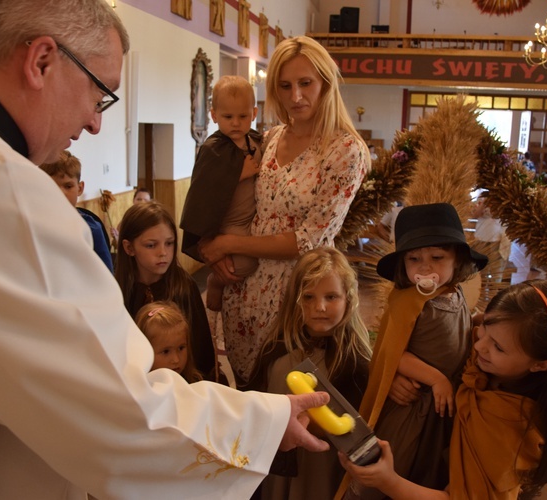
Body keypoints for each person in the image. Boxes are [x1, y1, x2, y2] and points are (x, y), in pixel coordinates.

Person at [0, 1, 330, 497]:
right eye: (100, 93)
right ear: (41, 61)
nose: (94, 124)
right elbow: (114, 403)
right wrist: (263, 422)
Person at [198, 35, 369, 387]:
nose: (296, 96)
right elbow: (239, 201)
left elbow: (308, 241)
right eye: (285, 85)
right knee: (246, 387)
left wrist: (229, 245)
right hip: (244, 288)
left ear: (325, 82)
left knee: (286, 393)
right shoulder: (272, 136)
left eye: (305, 83)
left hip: (297, 294)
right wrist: (216, 249)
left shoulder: (344, 150)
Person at [339, 280, 547, 500]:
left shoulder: (507, 426)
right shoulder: (490, 353)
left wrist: (388, 481)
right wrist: (395, 374)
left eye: (498, 348)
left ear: (541, 365)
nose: (479, 346)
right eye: (486, 328)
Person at [341, 203, 487, 499]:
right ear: (403, 264)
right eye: (414, 258)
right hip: (414, 409)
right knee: (405, 466)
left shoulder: (454, 293)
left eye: (437, 257)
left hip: (442, 410)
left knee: (433, 470)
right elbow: (394, 352)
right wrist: (436, 379)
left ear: (457, 259)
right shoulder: (408, 301)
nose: (425, 266)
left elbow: (453, 335)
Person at [246, 248, 372, 499]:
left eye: (331, 297)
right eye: (308, 297)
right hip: (280, 461)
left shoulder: (354, 360)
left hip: (324, 464)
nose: (320, 307)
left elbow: (361, 423)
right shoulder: (276, 349)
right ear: (295, 299)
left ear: (349, 298)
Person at [180, 75, 261, 312]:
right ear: (214, 115)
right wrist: (237, 173)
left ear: (254, 113)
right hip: (229, 222)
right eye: (228, 117)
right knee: (241, 266)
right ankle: (214, 283)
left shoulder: (256, 141)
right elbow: (204, 190)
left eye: (243, 116)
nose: (235, 123)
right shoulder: (212, 148)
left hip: (253, 216)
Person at [116, 200, 219, 381]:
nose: (163, 252)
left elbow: (202, 350)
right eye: (151, 245)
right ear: (129, 248)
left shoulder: (184, 288)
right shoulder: (119, 292)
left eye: (169, 243)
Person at [39, 150, 114, 272]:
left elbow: (107, 276)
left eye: (68, 186)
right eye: (52, 185)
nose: (61, 193)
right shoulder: (34, 224)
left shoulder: (91, 229)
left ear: (80, 188)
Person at [135, 300, 203, 383]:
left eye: (181, 348)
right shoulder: (138, 391)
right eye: (166, 351)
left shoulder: (194, 383)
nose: (176, 360)